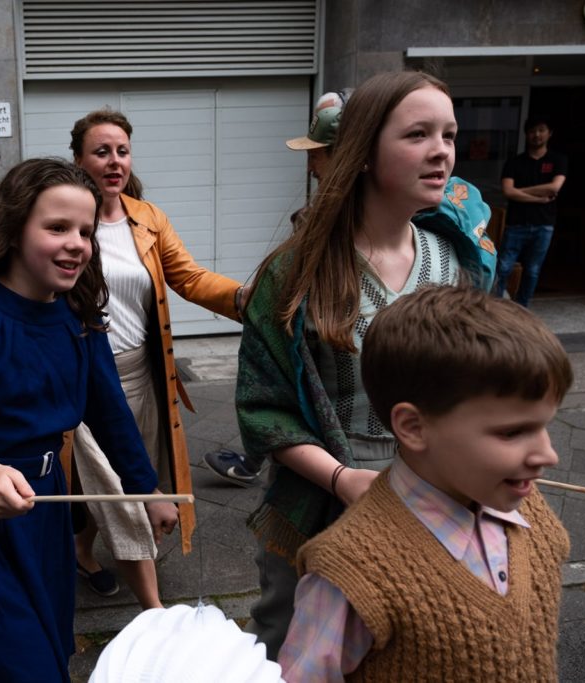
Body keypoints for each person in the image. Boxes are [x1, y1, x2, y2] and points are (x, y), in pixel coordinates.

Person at [235, 70, 498, 659]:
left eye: (449, 135)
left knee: (415, 648)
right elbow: (262, 409)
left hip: (440, 490)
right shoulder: (294, 273)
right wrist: (342, 479)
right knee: (298, 647)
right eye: (418, 134)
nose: (442, 151)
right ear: (363, 152)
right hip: (325, 491)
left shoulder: (459, 263)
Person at [0, 158, 179, 682]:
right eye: (57, 227)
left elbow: (109, 412)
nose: (77, 244)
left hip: (45, 513)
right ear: (15, 227)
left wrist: (147, 489)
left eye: (86, 231)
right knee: (15, 667)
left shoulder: (79, 315)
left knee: (48, 650)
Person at [279, 284, 572, 680]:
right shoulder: (353, 572)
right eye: (512, 432)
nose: (548, 456)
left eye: (544, 426)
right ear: (414, 427)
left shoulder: (528, 508)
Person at [68, 108, 244, 607]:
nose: (114, 161)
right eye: (102, 151)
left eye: (122, 151)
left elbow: (189, 277)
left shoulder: (147, 219)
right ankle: (152, 607)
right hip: (83, 377)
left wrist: (245, 298)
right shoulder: (67, 218)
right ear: (79, 159)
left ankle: (83, 551)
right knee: (109, 486)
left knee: (124, 477)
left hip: (140, 376)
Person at [204, 89, 350, 488]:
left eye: (317, 153)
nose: (310, 164)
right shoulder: (314, 220)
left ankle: (253, 463)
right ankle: (255, 460)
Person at [493, 115, 568, 307]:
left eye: (541, 130)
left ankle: (522, 308)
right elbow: (508, 191)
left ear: (549, 133)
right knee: (503, 267)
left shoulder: (557, 160)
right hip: (516, 223)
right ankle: (496, 307)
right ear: (526, 134)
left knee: (532, 270)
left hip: (544, 224)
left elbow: (554, 187)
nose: (537, 135)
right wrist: (538, 198)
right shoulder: (515, 162)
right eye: (533, 131)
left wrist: (520, 191)